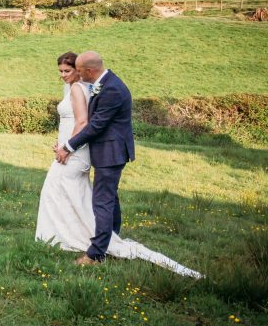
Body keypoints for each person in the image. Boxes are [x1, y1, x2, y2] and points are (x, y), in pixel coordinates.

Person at [37, 51, 201, 278]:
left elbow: (95, 125)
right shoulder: (103, 84)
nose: (76, 75)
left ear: (88, 70)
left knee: (102, 201)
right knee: (109, 198)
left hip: (110, 152)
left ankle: (96, 254)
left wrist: (68, 147)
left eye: (78, 71)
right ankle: (110, 236)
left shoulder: (112, 89)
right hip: (104, 150)